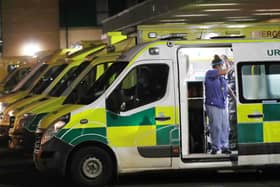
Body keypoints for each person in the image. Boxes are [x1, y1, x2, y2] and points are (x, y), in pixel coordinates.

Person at [205, 54, 231, 154]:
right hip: (212, 104)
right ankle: (215, 147)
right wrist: (229, 65)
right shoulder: (210, 73)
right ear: (217, 66)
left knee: (225, 126)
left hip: (222, 104)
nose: (222, 67)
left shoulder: (222, 78)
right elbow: (224, 71)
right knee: (216, 126)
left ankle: (225, 146)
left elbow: (227, 88)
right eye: (221, 65)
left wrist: (235, 98)